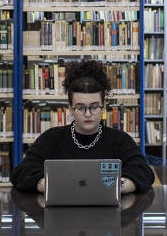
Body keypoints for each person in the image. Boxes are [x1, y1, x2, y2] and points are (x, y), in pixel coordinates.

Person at [10, 59, 155, 194]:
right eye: (80, 108)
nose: (87, 114)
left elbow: (143, 172)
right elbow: (21, 172)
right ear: (70, 108)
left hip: (107, 216)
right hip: (60, 215)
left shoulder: (120, 140)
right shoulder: (51, 138)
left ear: (103, 106)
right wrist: (49, 185)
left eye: (94, 107)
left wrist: (117, 187)